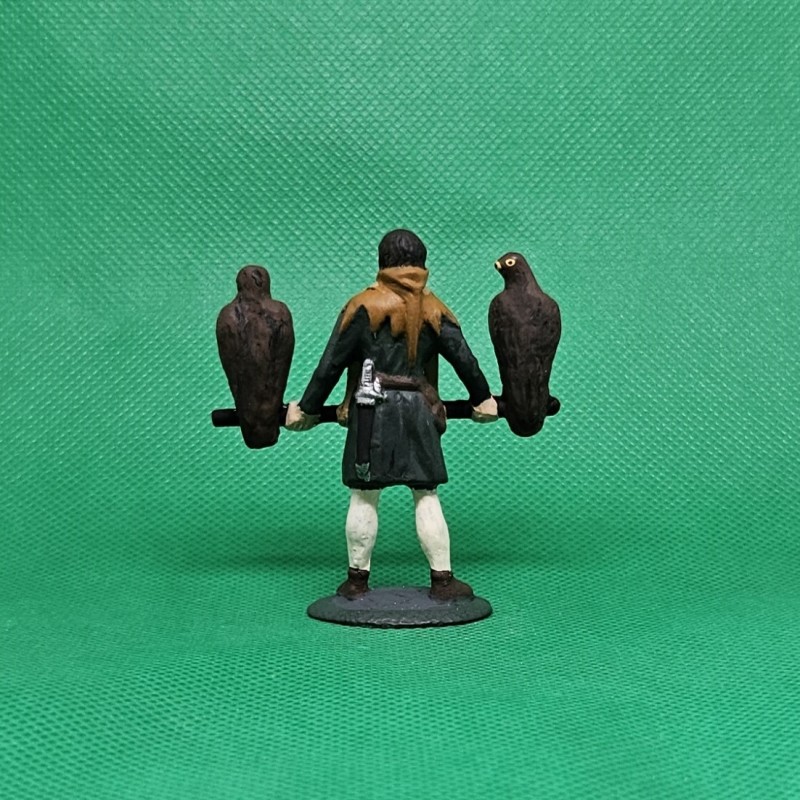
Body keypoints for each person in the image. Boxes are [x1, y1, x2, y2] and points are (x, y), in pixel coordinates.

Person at [286, 229, 497, 600]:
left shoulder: (362, 307)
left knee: (364, 495)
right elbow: (464, 358)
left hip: (371, 411)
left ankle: (356, 582)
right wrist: (483, 398)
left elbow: (331, 363)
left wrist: (307, 408)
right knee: (426, 495)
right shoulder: (435, 309)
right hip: (418, 409)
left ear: (382, 261)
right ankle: (443, 581)